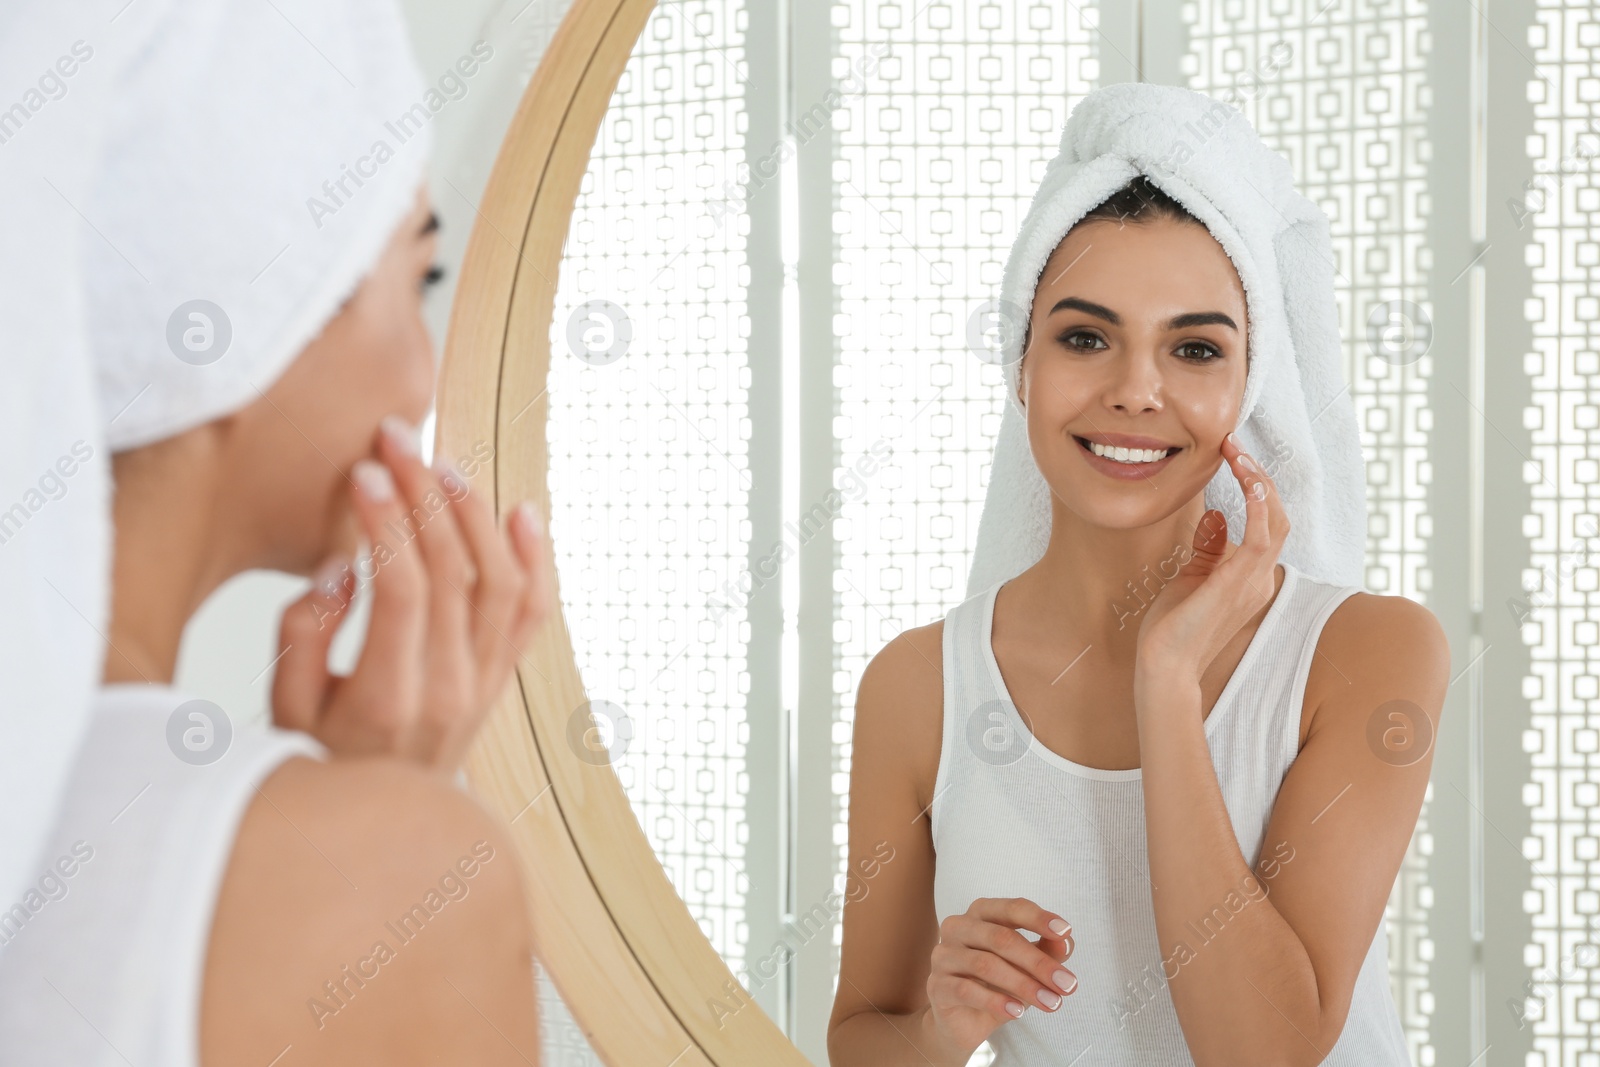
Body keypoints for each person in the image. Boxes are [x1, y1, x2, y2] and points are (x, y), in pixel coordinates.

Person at [828, 84, 1448, 1066]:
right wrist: (939, 1030)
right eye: (1084, 335)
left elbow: (1266, 1052)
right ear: (1020, 361)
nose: (1133, 388)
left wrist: (1167, 682)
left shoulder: (1366, 653)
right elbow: (862, 1035)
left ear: (1248, 385)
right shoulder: (914, 687)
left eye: (1194, 347)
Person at [0, 2, 550, 1065]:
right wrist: (385, 832)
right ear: (234, 319)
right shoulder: (387, 877)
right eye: (416, 278)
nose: (419, 381)